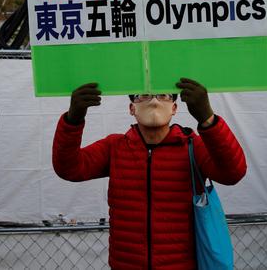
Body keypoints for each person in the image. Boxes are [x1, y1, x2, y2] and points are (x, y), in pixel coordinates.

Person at [52, 78, 247, 269]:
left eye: (164, 95)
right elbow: (69, 168)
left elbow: (233, 173)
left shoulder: (192, 146)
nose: (154, 101)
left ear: (174, 108)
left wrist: (208, 120)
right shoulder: (115, 147)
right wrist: (73, 119)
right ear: (131, 108)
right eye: (143, 95)